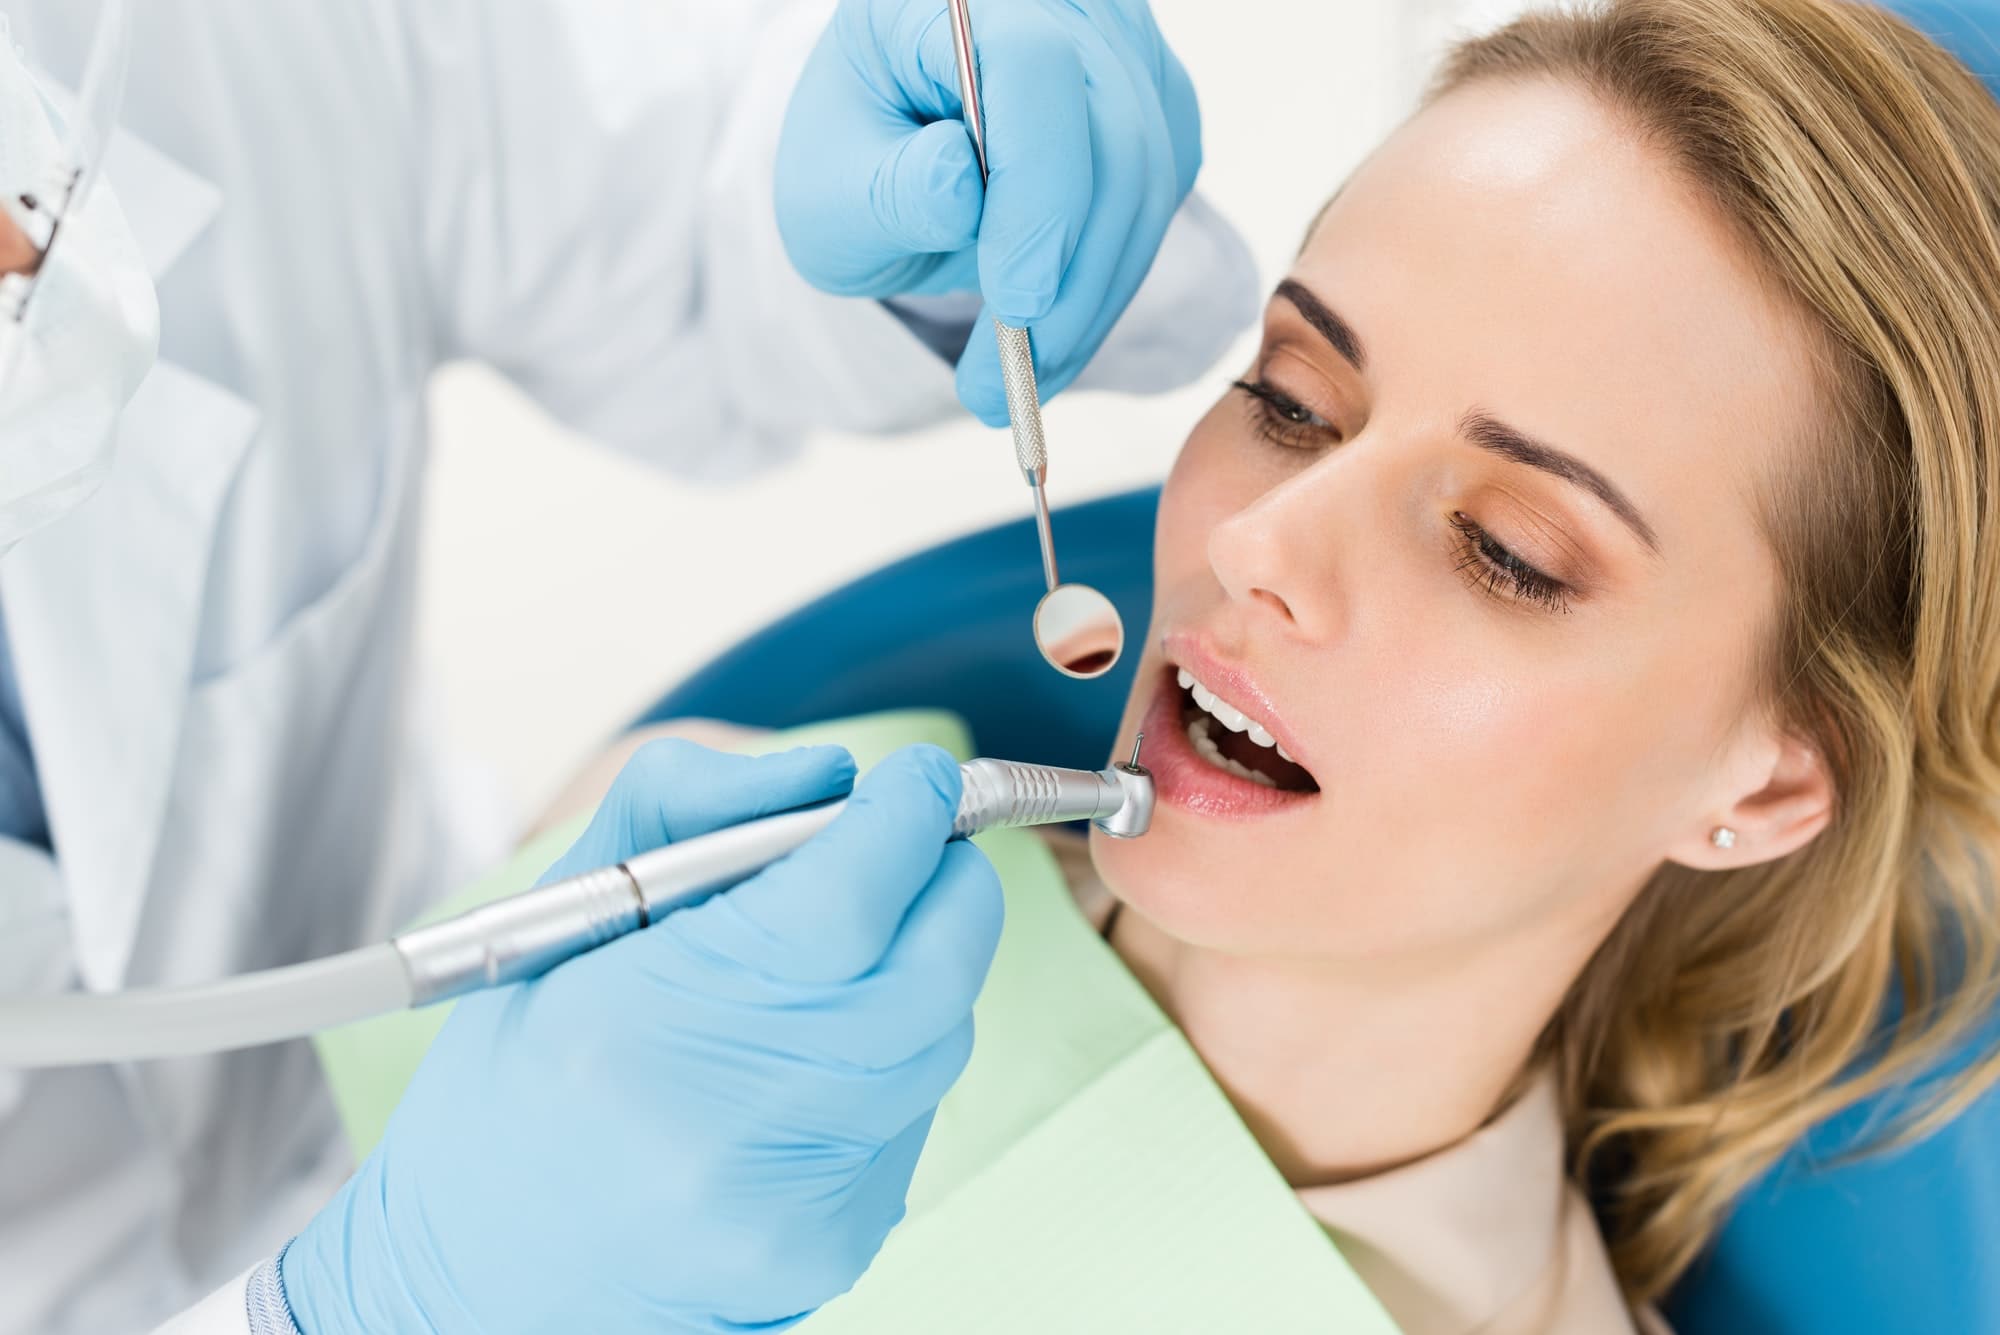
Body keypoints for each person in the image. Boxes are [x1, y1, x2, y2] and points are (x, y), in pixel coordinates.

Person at [595, 0, 2000, 1328]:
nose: (1263, 539)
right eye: (1291, 399)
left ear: (1765, 786)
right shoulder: (710, 855)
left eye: (1505, 550)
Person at [0, 1, 1256, 1331]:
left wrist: (930, 196)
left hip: (441, 1017)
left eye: (1507, 550)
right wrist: (373, 1307)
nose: (1274, 549)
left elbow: (692, 210)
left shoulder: (177, 41)